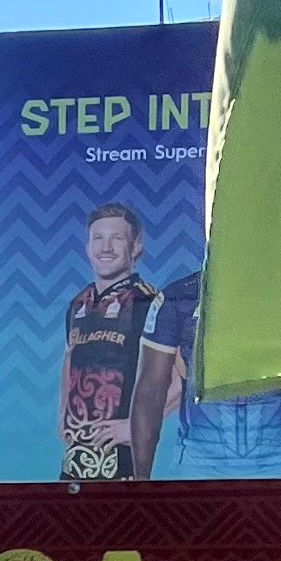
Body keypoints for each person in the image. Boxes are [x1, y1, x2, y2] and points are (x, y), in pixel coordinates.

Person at [132, 267, 281, 479]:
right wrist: (141, 481)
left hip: (276, 464)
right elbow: (150, 392)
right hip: (197, 465)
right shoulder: (178, 297)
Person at [57, 201, 164, 482]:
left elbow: (179, 376)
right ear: (87, 246)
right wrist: (61, 416)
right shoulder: (78, 304)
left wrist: (136, 426)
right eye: (98, 239)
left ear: (136, 246)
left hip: (123, 458)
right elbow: (70, 357)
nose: (105, 248)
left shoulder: (148, 302)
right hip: (76, 456)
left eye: (116, 239)